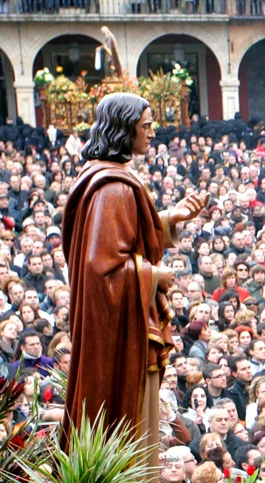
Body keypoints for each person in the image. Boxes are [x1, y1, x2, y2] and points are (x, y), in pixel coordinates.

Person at [62, 93, 207, 459]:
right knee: (128, 419)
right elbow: (102, 266)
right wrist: (151, 274)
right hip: (120, 332)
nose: (152, 133)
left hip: (122, 323)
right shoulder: (113, 187)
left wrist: (168, 219)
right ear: (124, 130)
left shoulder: (109, 177)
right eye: (146, 126)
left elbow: (120, 241)